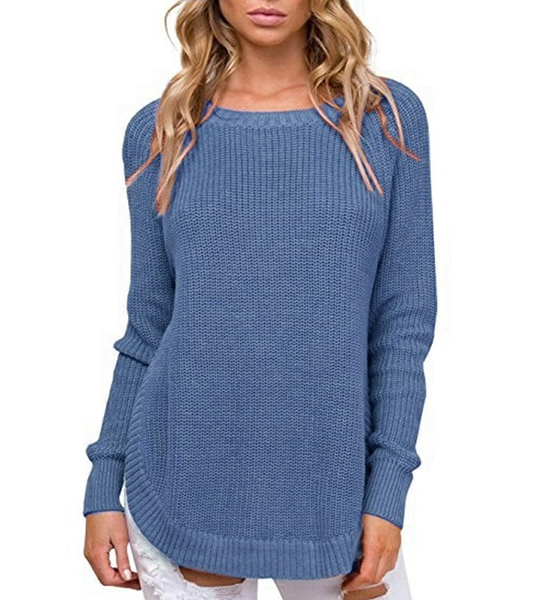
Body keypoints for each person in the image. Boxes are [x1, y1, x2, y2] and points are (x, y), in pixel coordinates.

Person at [82, 1, 437, 599]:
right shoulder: (161, 129)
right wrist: (102, 486)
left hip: (333, 488)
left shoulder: (383, 120)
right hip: (180, 479)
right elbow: (149, 324)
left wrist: (389, 493)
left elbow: (402, 323)